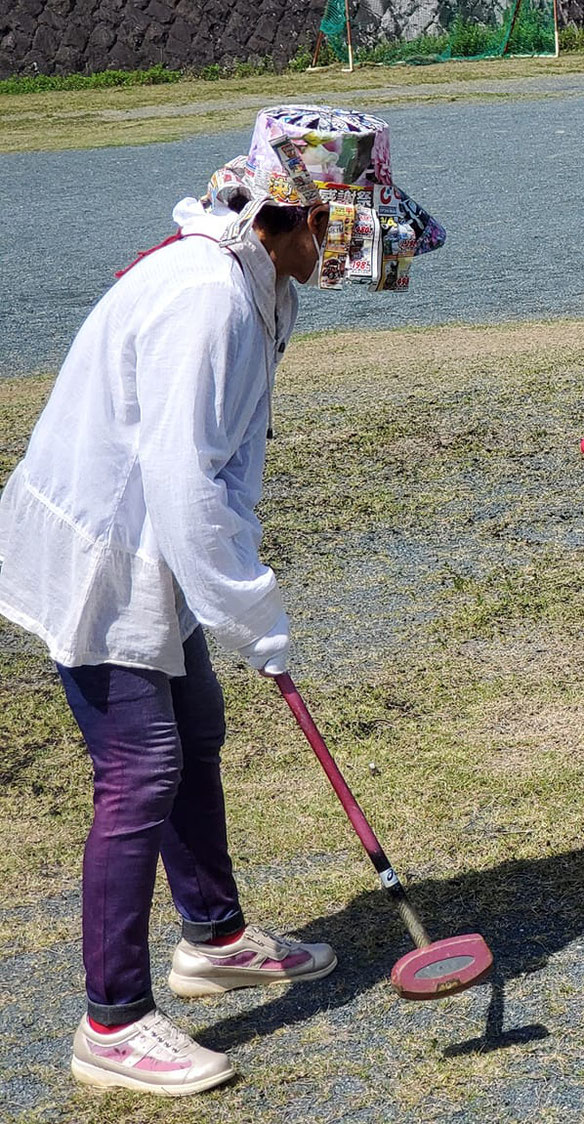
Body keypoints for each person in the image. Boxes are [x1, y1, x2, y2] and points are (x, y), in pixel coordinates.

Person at [0, 132, 409, 1095]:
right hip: (109, 550)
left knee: (196, 728)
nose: (351, 254)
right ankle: (113, 1022)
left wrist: (226, 587)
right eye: (343, 231)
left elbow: (216, 471)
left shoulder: (260, 281)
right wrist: (250, 608)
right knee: (139, 770)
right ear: (305, 218)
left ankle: (214, 938)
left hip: (156, 546)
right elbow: (182, 482)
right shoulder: (207, 301)